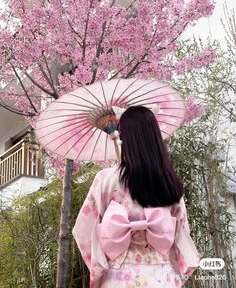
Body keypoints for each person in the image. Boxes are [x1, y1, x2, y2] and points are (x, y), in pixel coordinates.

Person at [72, 106, 200, 288]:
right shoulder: (169, 181)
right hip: (163, 277)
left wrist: (102, 263)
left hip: (119, 276)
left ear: (124, 138)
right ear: (155, 138)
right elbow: (181, 232)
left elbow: (83, 231)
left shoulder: (106, 180)